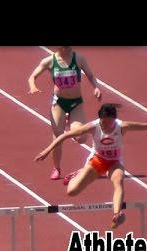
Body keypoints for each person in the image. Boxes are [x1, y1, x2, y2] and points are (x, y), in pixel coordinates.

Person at [34, 103, 147, 229]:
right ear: (99, 119)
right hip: (97, 160)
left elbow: (145, 126)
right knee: (71, 192)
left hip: (114, 162)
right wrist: (46, 151)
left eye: (109, 122)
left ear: (114, 120)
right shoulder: (93, 127)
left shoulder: (122, 126)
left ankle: (117, 214)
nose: (105, 125)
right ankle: (78, 173)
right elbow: (65, 135)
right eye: (103, 122)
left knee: (118, 181)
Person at [28, 46, 102, 180]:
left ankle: (70, 123)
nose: (68, 48)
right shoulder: (49, 61)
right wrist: (33, 86)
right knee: (58, 137)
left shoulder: (79, 58)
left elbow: (91, 75)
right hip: (59, 103)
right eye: (65, 46)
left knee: (81, 138)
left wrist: (96, 87)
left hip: (76, 103)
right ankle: (56, 168)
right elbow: (32, 76)